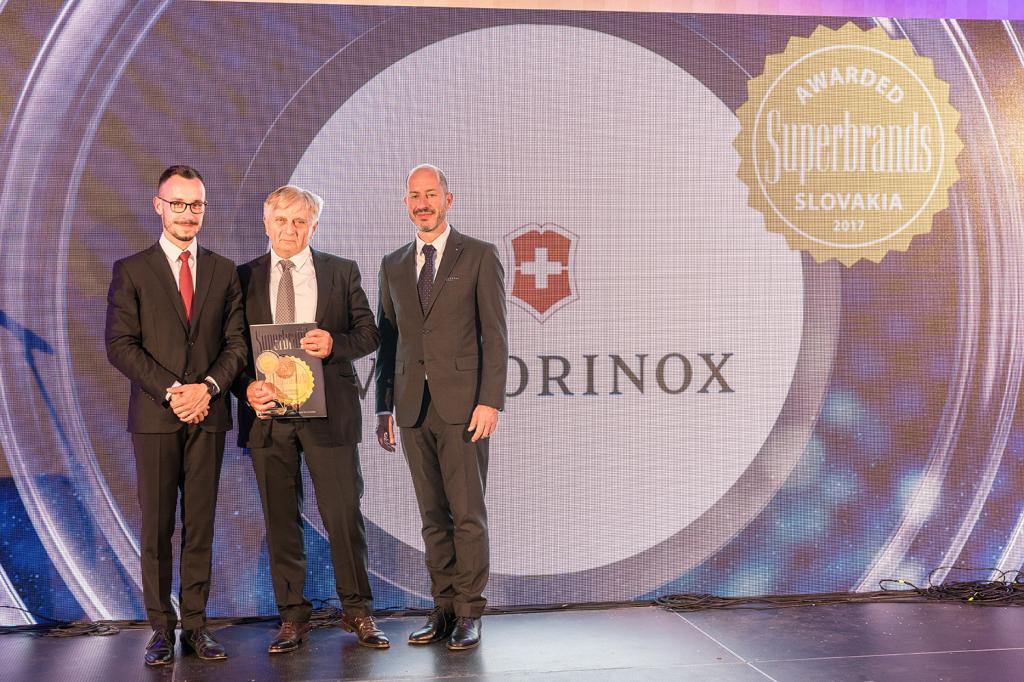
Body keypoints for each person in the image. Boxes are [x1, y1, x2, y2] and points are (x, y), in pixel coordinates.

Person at [105, 165, 247, 666]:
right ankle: (161, 630)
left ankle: (198, 626)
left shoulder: (224, 271)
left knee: (201, 526)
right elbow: (120, 345)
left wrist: (207, 389)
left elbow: (237, 344)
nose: (188, 214)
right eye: (179, 204)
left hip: (208, 413)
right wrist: (173, 391)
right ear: (158, 205)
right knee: (157, 528)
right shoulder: (132, 270)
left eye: (196, 205)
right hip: (156, 418)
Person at [236, 185, 387, 654]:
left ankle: (357, 611)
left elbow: (369, 333)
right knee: (281, 519)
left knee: (343, 515)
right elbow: (231, 348)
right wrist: (246, 387)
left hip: (330, 415)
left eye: (300, 221)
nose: (290, 230)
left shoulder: (341, 271)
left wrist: (335, 343)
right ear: (267, 224)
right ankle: (292, 618)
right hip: (269, 417)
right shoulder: (242, 278)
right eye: (281, 221)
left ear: (314, 226)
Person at [375, 164, 508, 650]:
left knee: (467, 514)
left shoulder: (479, 255)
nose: (423, 203)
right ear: (406, 204)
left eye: (431, 194)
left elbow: (495, 336)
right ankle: (444, 609)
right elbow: (388, 341)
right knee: (432, 517)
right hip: (413, 409)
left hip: (465, 408)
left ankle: (470, 611)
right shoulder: (392, 263)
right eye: (415, 196)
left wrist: (490, 401)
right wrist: (383, 407)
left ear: (448, 200)